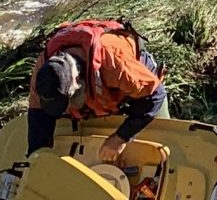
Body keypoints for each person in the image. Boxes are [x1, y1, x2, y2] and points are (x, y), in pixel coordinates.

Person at [27, 17, 168, 161]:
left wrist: (120, 138)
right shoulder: (43, 73)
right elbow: (38, 116)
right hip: (101, 93)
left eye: (66, 104)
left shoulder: (114, 64)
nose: (65, 110)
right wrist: (37, 158)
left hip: (140, 85)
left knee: (162, 136)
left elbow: (155, 94)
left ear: (77, 81)